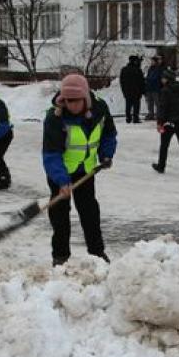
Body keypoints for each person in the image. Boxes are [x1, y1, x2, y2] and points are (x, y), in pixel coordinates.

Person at [42, 73, 117, 266]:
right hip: (60, 174)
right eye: (68, 101)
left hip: (86, 171)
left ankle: (97, 253)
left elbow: (109, 133)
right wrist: (62, 180)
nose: (72, 105)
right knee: (59, 215)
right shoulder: (55, 118)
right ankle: (60, 256)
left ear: (85, 97)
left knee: (90, 212)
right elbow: (51, 154)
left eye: (76, 101)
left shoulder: (100, 109)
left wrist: (106, 154)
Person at [152, 69, 179, 177]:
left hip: (168, 123)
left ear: (167, 79)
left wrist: (160, 122)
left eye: (163, 78)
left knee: (164, 146)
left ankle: (161, 166)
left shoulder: (165, 91)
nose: (162, 80)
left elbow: (162, 108)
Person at [119, 55, 145, 123]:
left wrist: (124, 90)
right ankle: (135, 118)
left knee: (128, 105)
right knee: (136, 105)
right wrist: (142, 91)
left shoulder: (124, 69)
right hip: (136, 91)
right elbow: (141, 81)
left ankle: (128, 118)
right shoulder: (138, 70)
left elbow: (121, 81)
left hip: (127, 91)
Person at [144, 56, 163, 121]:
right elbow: (148, 77)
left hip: (156, 88)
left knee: (157, 103)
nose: (151, 62)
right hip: (149, 88)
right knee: (150, 102)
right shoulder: (150, 69)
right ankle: (151, 114)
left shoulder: (159, 69)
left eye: (153, 61)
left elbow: (157, 78)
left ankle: (158, 115)